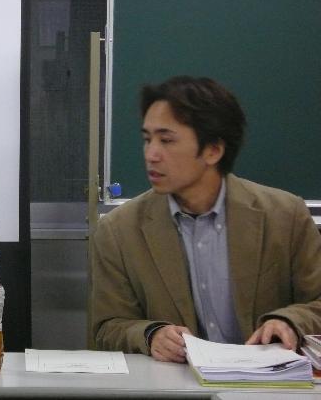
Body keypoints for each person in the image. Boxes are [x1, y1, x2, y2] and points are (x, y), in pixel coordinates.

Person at [90, 76, 321, 363]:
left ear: (213, 150)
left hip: (268, 381)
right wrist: (150, 334)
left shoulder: (285, 215)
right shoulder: (119, 230)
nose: (151, 154)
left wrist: (289, 322)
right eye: (147, 139)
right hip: (175, 382)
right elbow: (107, 326)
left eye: (166, 140)